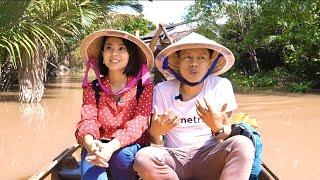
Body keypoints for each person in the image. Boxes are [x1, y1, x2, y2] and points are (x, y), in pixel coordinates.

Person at [133, 32, 255, 180]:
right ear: (178, 62)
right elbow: (155, 142)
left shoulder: (221, 85)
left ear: (210, 62)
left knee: (243, 144)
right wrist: (156, 133)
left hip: (210, 156)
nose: (194, 63)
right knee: (143, 157)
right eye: (187, 57)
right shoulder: (162, 89)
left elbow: (226, 134)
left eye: (201, 57)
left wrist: (218, 128)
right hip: (174, 158)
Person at [75, 29, 154, 180]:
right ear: (102, 55)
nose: (114, 53)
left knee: (122, 157)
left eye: (121, 48)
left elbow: (140, 123)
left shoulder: (144, 87)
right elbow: (88, 119)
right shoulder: (93, 87)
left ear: (130, 55)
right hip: (97, 143)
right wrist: (91, 144)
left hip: (128, 146)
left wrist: (111, 147)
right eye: (109, 48)